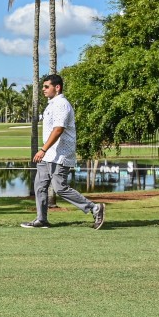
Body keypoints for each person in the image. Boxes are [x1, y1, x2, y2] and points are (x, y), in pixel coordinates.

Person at [21, 74, 105, 229]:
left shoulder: (62, 104)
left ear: (57, 87)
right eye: (43, 87)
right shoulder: (51, 104)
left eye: (46, 87)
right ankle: (41, 219)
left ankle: (94, 208)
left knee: (60, 187)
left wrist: (43, 149)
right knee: (39, 186)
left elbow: (59, 129)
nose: (43, 90)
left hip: (60, 154)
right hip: (49, 154)